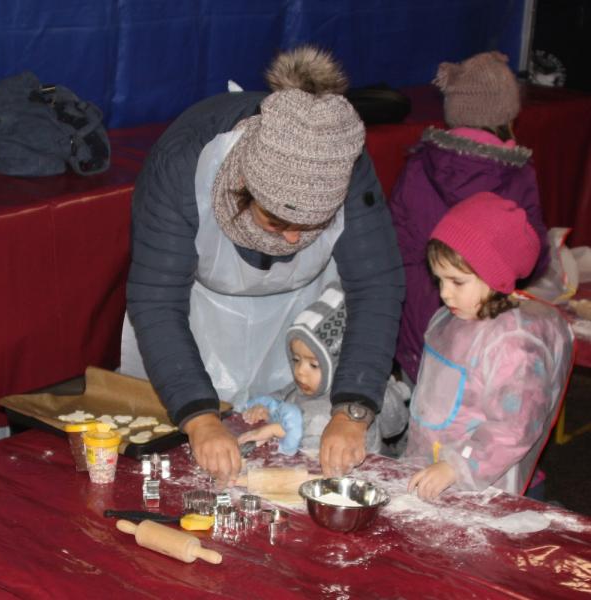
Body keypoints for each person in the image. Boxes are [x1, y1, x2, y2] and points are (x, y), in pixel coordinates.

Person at [120, 45, 405, 486]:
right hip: (195, 323)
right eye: (277, 221)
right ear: (240, 187)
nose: (294, 240)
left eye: (312, 225)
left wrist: (353, 409)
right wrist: (198, 415)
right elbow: (156, 300)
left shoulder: (341, 165)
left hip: (298, 318)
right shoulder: (183, 164)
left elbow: (377, 285)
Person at [388, 51, 550, 386]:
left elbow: (396, 238)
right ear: (506, 112)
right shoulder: (516, 174)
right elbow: (535, 253)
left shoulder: (419, 163)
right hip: (482, 319)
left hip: (416, 313)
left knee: (421, 405)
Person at [405, 192, 573, 501]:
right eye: (439, 279)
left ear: (496, 277)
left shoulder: (514, 346)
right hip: (435, 469)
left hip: (485, 482)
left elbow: (513, 428)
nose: (444, 293)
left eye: (457, 282)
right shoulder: (449, 319)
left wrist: (456, 466)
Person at [237, 283, 410, 455]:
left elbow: (319, 436)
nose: (300, 371)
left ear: (339, 366)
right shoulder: (299, 388)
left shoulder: (354, 405)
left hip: (357, 475)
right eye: (296, 360)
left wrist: (281, 429)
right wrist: (264, 408)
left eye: (313, 364)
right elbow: (280, 398)